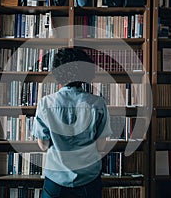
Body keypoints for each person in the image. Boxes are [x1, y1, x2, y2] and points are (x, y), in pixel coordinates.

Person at [32, 47, 112, 198]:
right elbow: (101, 146)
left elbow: (43, 145)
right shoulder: (98, 103)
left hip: (56, 179)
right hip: (89, 178)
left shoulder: (46, 103)